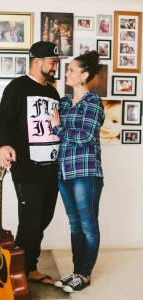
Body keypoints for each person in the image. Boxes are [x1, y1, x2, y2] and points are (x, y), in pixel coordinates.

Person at [0, 41, 62, 286]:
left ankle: (28, 266)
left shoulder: (53, 92)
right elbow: (0, 120)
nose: (55, 67)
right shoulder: (17, 87)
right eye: (52, 63)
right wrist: (2, 145)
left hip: (52, 168)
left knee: (43, 219)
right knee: (30, 222)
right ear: (37, 61)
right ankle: (21, 271)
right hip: (27, 169)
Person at [50, 50, 105, 293]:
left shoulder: (93, 102)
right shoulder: (63, 102)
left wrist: (59, 129)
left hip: (86, 171)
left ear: (84, 75)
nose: (67, 72)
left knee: (88, 225)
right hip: (64, 171)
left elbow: (86, 136)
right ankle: (76, 272)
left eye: (71, 69)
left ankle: (84, 274)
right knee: (74, 224)